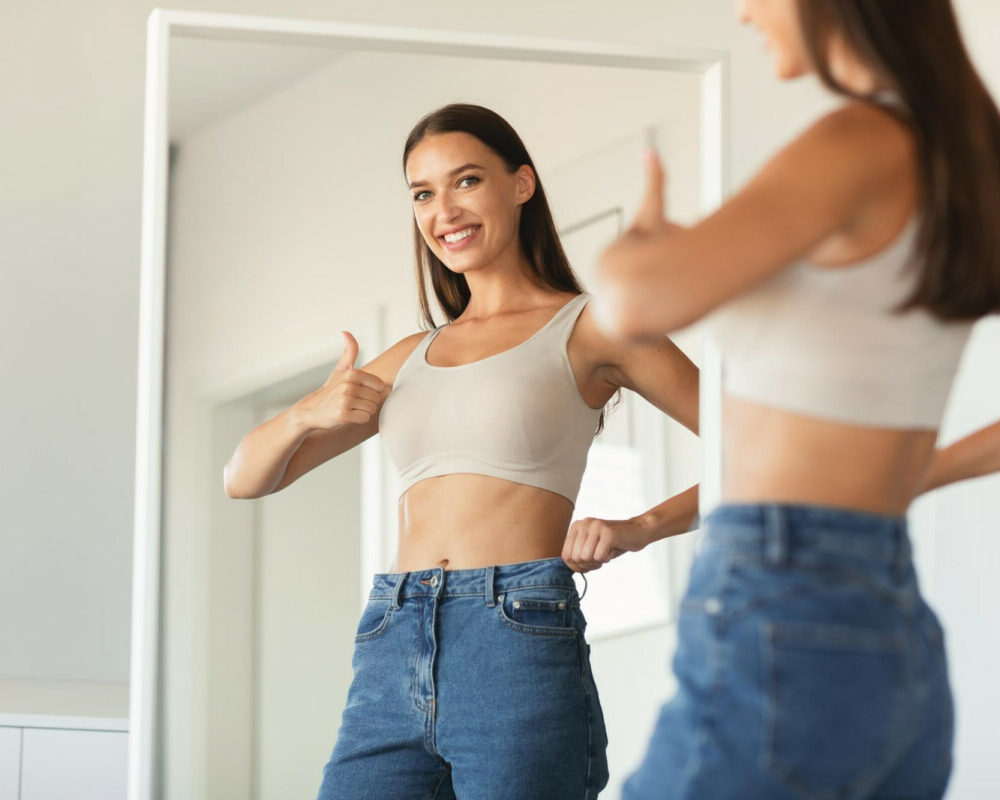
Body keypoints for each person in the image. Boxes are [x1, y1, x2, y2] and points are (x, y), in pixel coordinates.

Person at [223, 103, 701, 800]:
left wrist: (639, 528)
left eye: (466, 181)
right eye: (422, 193)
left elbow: (763, 453)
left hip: (515, 634)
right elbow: (245, 478)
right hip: (393, 632)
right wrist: (308, 412)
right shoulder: (410, 357)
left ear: (521, 185)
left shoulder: (594, 327)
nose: (443, 209)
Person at [591, 2, 1000, 798]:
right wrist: (904, 477)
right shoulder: (963, 162)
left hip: (786, 593)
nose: (745, 11)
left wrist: (635, 246)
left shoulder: (860, 140)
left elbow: (635, 305)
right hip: (889, 622)